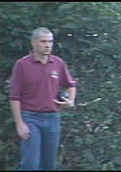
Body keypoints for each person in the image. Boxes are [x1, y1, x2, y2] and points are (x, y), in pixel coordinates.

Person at [9, 27, 77, 170]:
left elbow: (71, 84)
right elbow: (14, 97)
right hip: (30, 118)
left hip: (53, 118)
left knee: (49, 164)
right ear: (33, 43)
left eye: (50, 42)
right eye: (43, 41)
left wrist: (70, 100)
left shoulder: (58, 63)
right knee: (30, 164)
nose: (47, 45)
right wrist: (19, 123)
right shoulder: (22, 65)